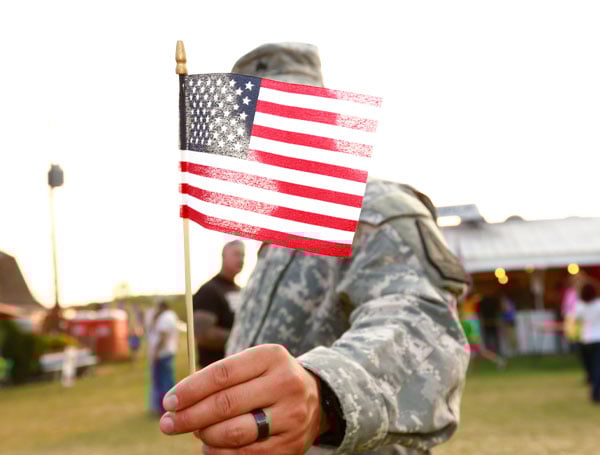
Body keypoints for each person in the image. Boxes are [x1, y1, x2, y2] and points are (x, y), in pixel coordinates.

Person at [159, 43, 471, 455]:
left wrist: (322, 392)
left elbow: (419, 325)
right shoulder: (272, 246)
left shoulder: (376, 210)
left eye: (289, 116)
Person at [193, 240, 245, 369]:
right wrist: (243, 338)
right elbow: (203, 334)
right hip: (215, 370)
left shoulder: (240, 290)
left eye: (243, 255)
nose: (241, 259)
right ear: (223, 256)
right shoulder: (209, 290)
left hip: (239, 367)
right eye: (236, 254)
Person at [573, 282, 600, 404]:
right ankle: (596, 394)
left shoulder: (581, 306)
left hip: (587, 340)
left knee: (599, 366)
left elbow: (576, 319)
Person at [147, 300, 179, 416]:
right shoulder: (172, 315)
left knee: (163, 382)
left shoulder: (165, 317)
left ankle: (164, 409)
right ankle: (171, 406)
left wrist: (155, 352)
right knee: (168, 381)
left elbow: (163, 336)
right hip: (168, 352)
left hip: (162, 354)